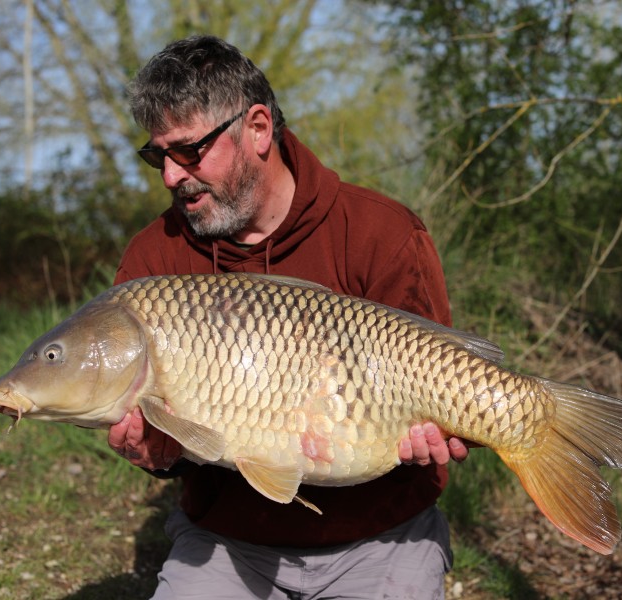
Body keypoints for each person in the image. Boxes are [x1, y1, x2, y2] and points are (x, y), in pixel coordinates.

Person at [108, 35, 469, 599]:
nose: (171, 177)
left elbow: (438, 375)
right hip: (228, 542)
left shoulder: (382, 234)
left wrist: (435, 430)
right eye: (158, 156)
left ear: (257, 128)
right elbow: (166, 448)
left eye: (189, 151)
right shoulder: (155, 260)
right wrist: (158, 455)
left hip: (382, 534)